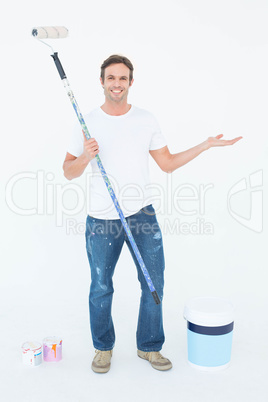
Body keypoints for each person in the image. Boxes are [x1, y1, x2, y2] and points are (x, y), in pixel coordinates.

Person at [63, 54, 242, 374]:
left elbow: (167, 163)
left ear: (131, 82)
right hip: (102, 220)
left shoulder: (146, 119)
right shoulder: (87, 121)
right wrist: (86, 157)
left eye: (122, 78)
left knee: (153, 282)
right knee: (101, 285)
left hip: (141, 215)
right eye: (111, 78)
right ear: (101, 81)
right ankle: (103, 348)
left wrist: (204, 145)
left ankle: (149, 346)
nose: (116, 84)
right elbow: (68, 171)